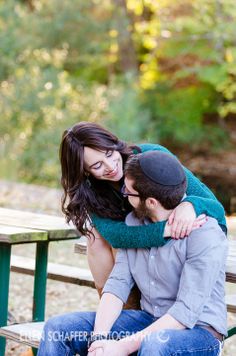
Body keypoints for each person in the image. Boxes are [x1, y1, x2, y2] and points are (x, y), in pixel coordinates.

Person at [37, 151, 228, 356]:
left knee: (154, 344)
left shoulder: (205, 233)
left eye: (128, 192)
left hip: (199, 333)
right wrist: (100, 339)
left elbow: (185, 312)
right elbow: (118, 284)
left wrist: (120, 346)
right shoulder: (134, 223)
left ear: (151, 202)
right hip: (148, 320)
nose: (123, 195)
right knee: (57, 329)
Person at [59, 122, 226, 294]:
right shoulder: (90, 191)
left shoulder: (151, 157)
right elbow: (115, 235)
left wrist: (191, 204)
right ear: (84, 171)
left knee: (121, 245)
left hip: (186, 236)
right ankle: (121, 310)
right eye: (97, 166)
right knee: (95, 238)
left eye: (109, 154)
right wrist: (163, 230)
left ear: (114, 144)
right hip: (159, 236)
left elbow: (216, 209)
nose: (110, 166)